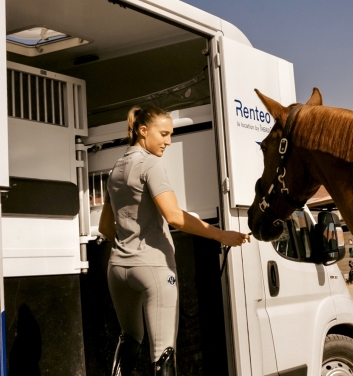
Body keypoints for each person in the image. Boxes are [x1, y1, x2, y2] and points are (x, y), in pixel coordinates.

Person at [98, 105, 250, 376]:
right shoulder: (150, 164)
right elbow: (174, 216)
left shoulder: (115, 169)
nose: (168, 141)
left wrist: (130, 241)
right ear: (143, 131)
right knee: (163, 354)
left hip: (117, 269)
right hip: (154, 268)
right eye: (164, 134)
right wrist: (220, 234)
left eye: (171, 134)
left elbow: (105, 228)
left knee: (129, 338)